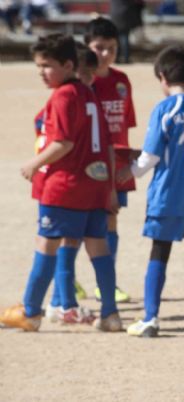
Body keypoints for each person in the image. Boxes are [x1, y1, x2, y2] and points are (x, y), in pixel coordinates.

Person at [0, 34, 121, 332]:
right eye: (38, 66)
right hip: (94, 184)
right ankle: (110, 313)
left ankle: (30, 311)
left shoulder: (63, 95)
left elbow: (63, 142)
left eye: (47, 66)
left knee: (46, 243)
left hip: (66, 185)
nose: (41, 72)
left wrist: (34, 164)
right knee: (98, 247)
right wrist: (109, 185)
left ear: (68, 65)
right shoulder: (88, 93)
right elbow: (106, 143)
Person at [116, 46, 184, 337]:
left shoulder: (166, 108)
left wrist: (130, 172)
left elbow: (151, 156)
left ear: (162, 77)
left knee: (159, 250)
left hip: (169, 195)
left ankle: (150, 318)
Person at [44, 42, 103, 324]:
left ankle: (61, 300)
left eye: (92, 74)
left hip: (87, 178)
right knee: (65, 242)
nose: (90, 79)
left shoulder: (85, 96)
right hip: (67, 181)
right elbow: (47, 134)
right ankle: (62, 301)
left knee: (73, 241)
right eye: (86, 73)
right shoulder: (66, 97)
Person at [85, 17, 137, 302]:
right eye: (99, 47)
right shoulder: (84, 84)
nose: (105, 53)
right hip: (90, 165)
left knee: (111, 222)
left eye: (111, 48)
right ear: (87, 48)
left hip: (116, 165)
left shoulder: (122, 80)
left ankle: (106, 282)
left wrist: (127, 160)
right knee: (77, 228)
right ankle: (65, 282)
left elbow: (125, 124)